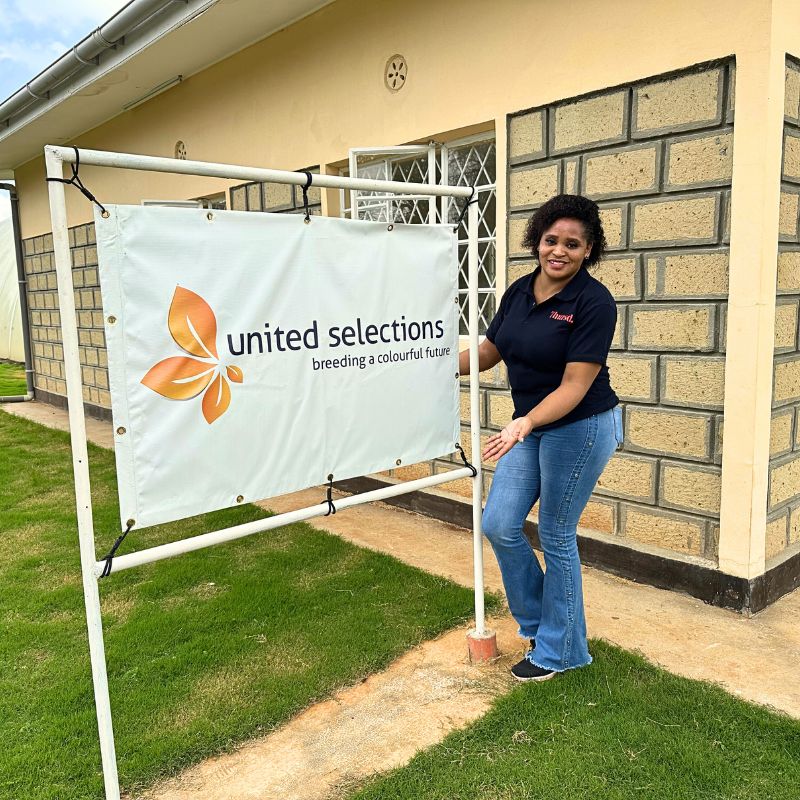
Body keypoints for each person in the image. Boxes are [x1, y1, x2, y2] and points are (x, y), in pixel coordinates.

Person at [459, 194, 622, 682]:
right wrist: (433, 365)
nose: (560, 251)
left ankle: (560, 650)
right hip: (529, 426)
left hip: (580, 426)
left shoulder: (593, 303)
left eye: (573, 244)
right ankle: (539, 626)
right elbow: (489, 353)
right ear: (537, 242)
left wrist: (525, 422)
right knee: (499, 523)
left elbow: (575, 385)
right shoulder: (518, 291)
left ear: (589, 250)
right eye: (552, 240)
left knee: (555, 534)